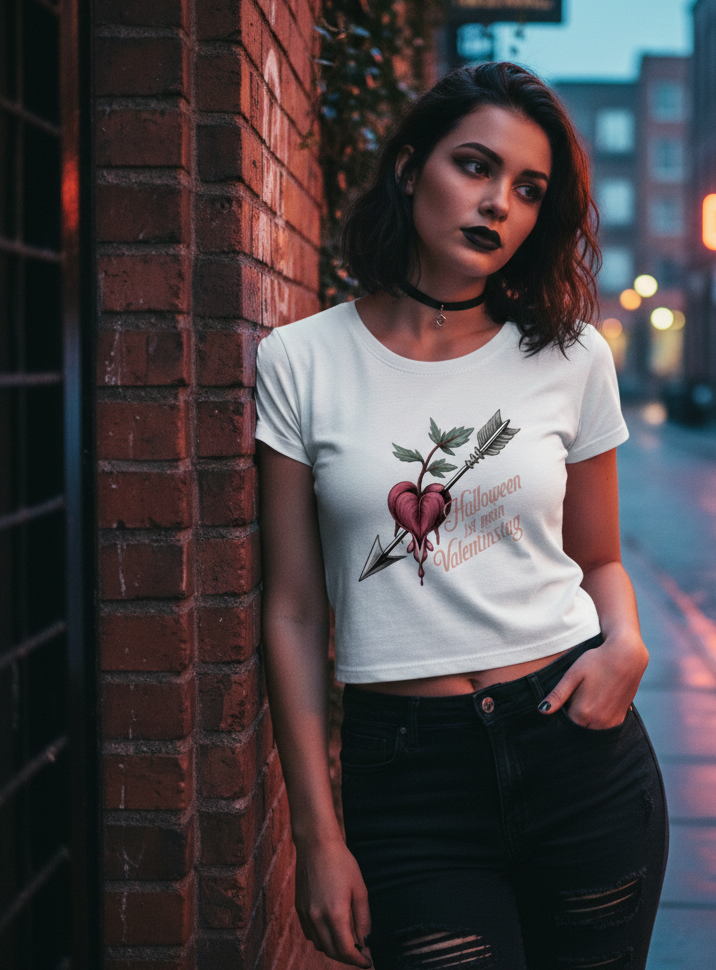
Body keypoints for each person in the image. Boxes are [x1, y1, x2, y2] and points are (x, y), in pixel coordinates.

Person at [255, 61, 668, 970]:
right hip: (409, 782)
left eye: (528, 190)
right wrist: (316, 835)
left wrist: (627, 646)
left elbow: (599, 558)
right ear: (410, 169)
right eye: (475, 166)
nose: (498, 205)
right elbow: (293, 610)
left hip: (578, 751)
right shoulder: (300, 361)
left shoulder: (571, 357)